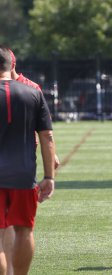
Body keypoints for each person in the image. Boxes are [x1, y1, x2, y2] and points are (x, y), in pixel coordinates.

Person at [0, 46, 56, 275]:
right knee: (24, 230)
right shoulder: (33, 92)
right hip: (24, 176)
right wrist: (49, 176)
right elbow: (47, 137)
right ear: (11, 65)